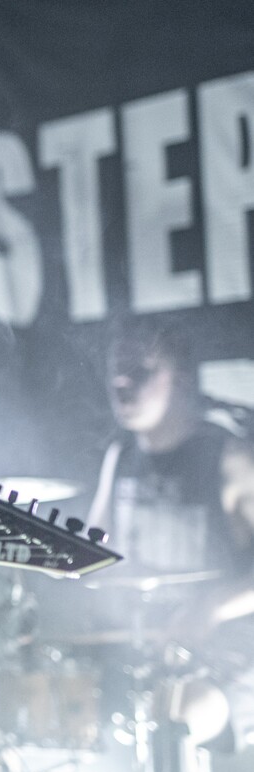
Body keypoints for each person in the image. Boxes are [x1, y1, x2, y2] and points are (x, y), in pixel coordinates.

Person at [88, 315, 254, 749]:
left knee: (171, 715)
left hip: (230, 655)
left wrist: (214, 606)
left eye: (140, 370)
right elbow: (90, 555)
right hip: (143, 648)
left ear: (180, 378)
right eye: (115, 370)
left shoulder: (231, 458)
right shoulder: (119, 456)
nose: (122, 381)